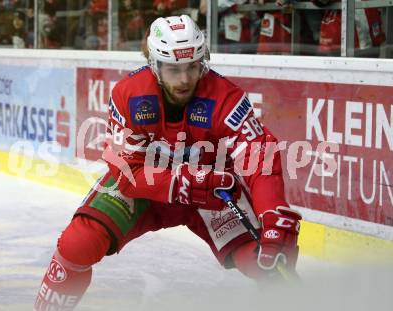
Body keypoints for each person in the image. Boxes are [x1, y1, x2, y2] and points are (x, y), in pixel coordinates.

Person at [34, 14, 302, 311]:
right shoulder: (128, 95)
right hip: (146, 189)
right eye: (173, 69)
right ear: (154, 65)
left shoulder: (226, 96)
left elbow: (259, 154)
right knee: (77, 244)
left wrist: (272, 211)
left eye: (193, 67)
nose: (185, 79)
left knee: (268, 259)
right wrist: (182, 181)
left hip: (210, 189)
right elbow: (126, 173)